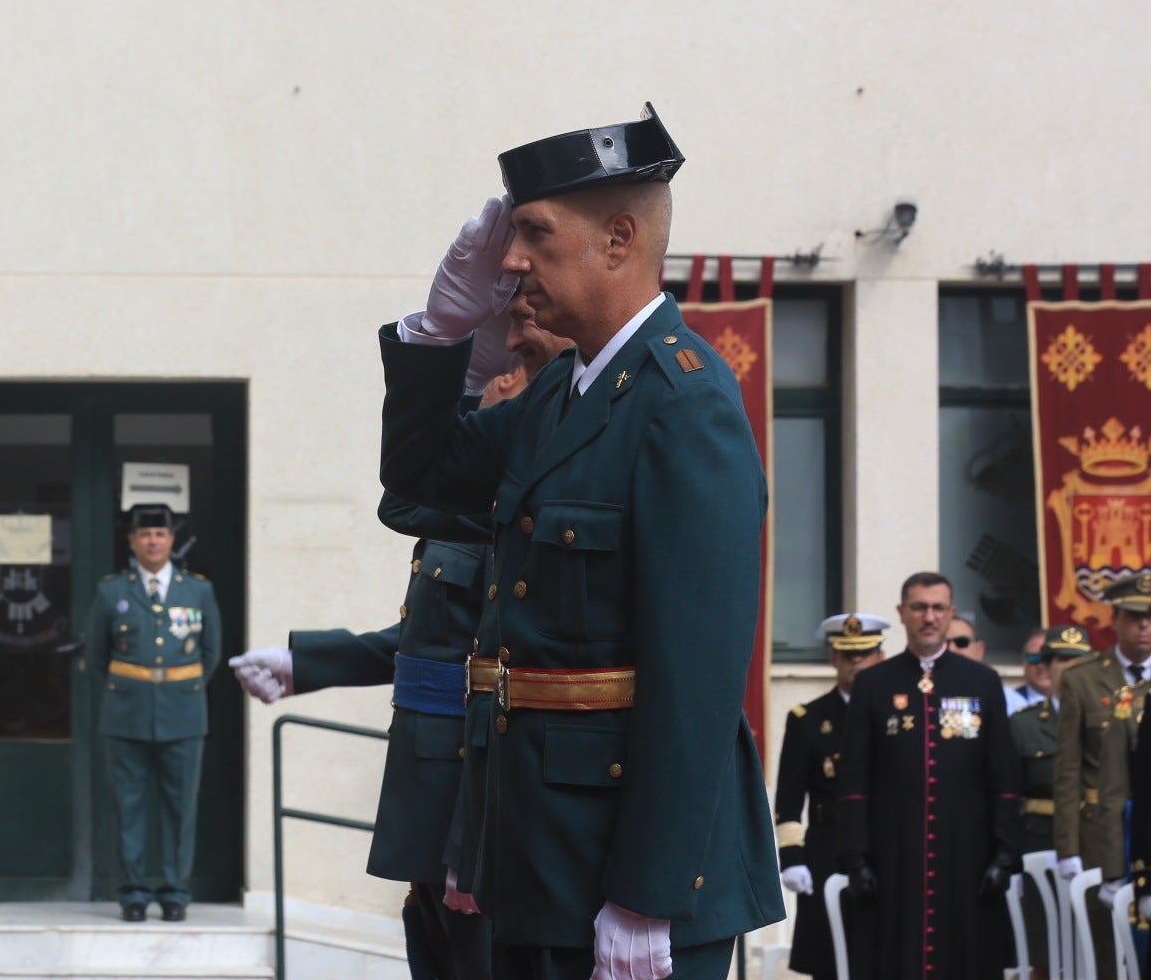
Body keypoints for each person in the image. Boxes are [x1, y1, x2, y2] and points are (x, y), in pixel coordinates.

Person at [376, 105, 782, 980]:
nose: (512, 261)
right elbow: (421, 475)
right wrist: (441, 335)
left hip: (628, 874)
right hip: (537, 853)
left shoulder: (684, 406)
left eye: (533, 233)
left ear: (617, 240)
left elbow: (698, 678)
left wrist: (647, 896)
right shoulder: (565, 391)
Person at [229, 303, 570, 980]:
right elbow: (425, 643)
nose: (493, 382)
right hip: (429, 798)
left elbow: (499, 690)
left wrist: (468, 843)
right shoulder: (481, 499)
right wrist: (306, 663)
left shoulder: (522, 497)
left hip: (469, 814)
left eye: (505, 368)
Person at [835, 571, 1020, 980]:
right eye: (919, 607)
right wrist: (856, 855)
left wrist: (1005, 852)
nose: (929, 617)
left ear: (951, 613)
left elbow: (1003, 777)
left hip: (967, 853)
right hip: (893, 852)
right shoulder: (872, 684)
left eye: (938, 608)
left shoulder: (983, 682)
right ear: (902, 612)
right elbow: (852, 782)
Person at [85, 504, 223, 922]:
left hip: (184, 713)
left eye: (160, 534)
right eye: (144, 535)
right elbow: (97, 656)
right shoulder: (112, 591)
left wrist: (179, 686)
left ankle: (176, 891)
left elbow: (211, 653)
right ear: (132, 542)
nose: (153, 541)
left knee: (180, 808)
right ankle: (132, 892)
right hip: (126, 713)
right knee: (129, 806)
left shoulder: (198, 590)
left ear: (171, 540)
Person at [772, 613, 888, 980]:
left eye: (865, 653)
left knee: (886, 954)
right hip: (827, 850)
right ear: (832, 659)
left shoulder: (899, 715)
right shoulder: (807, 719)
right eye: (847, 653)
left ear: (880, 657)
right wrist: (791, 857)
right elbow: (789, 798)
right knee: (829, 961)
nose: (857, 661)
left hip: (885, 846)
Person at [1052, 577, 1151, 978]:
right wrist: (1068, 849)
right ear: (1115, 619)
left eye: (1150, 618)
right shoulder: (1082, 678)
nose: (1143, 626)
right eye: (1134, 617)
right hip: (1103, 836)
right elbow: (1068, 771)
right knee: (1107, 950)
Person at [1010, 626, 1094, 979]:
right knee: (1044, 950)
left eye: (1079, 660)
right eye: (1062, 659)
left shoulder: (1107, 720)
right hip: (1040, 844)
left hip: (1096, 841)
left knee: (1097, 947)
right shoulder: (1023, 726)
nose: (1071, 668)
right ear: (1045, 667)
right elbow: (1007, 794)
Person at [1008, 628, 1052, 715]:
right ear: (1023, 662)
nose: (1041, 665)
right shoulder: (1008, 701)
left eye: (1047, 658)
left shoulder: (1077, 702)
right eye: (1034, 658)